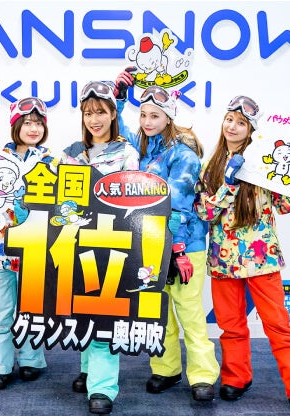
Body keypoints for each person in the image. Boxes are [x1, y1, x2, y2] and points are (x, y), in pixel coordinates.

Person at [194, 95, 290, 406]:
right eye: (230, 120)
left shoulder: (265, 165)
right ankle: (235, 378)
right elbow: (205, 212)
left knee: (277, 323)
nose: (232, 126)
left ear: (252, 130)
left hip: (262, 257)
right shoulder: (210, 167)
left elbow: (285, 206)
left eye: (241, 123)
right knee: (230, 325)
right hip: (224, 260)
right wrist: (228, 183)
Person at [113, 71, 220, 401]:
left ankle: (202, 376)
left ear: (169, 117)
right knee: (158, 312)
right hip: (149, 244)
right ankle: (166, 369)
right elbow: (120, 131)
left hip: (184, 245)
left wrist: (177, 249)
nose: (147, 121)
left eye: (155, 116)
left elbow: (179, 204)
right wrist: (119, 100)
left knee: (189, 313)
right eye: (144, 115)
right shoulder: (144, 148)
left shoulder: (183, 154)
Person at [61, 81, 140, 414]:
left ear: (113, 114)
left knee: (105, 312)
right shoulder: (70, 152)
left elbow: (134, 201)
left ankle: (103, 388)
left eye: (101, 112)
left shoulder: (126, 152)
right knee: (82, 308)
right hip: (76, 242)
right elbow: (62, 200)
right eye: (89, 113)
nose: (95, 120)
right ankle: (88, 368)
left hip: (112, 242)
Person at [0, 97, 53, 389]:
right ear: (15, 126)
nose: (33, 128)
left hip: (35, 249)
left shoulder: (53, 161)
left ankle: (31, 360)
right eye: (27, 123)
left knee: (32, 309)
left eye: (38, 123)